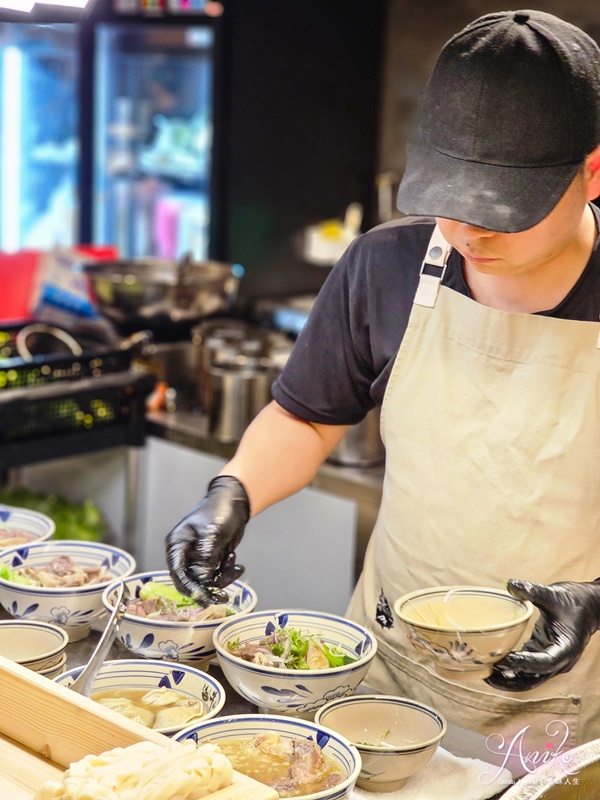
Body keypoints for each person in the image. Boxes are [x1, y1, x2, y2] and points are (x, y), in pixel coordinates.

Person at [166, 10, 600, 759]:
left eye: (503, 209)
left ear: (592, 169)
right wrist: (230, 493)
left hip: (562, 711)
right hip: (386, 672)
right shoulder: (387, 266)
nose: (468, 232)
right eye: (449, 198)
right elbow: (306, 419)